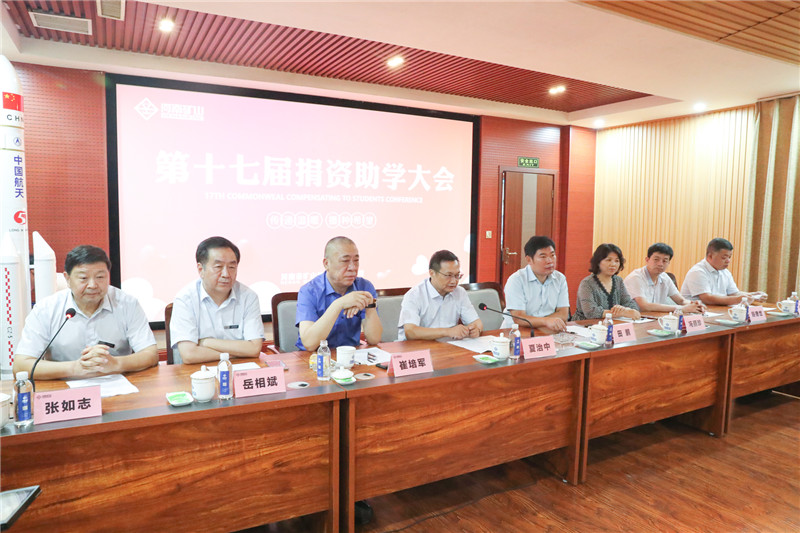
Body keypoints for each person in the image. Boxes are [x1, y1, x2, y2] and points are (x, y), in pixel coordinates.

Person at [13, 245, 158, 379]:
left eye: (100, 277)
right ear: (67, 279)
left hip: (117, 385)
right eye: (83, 278)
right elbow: (21, 365)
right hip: (64, 387)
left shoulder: (127, 304)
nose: (93, 285)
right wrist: (75, 368)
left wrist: (116, 364)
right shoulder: (46, 309)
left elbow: (150, 354)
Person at [170, 236, 264, 364]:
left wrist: (206, 342)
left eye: (232, 267)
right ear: (201, 270)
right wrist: (238, 353)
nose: (226, 274)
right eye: (218, 266)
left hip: (239, 370)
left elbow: (254, 349)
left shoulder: (248, 297)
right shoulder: (185, 299)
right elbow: (189, 355)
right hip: (198, 372)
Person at [296, 236, 382, 351]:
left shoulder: (364, 287)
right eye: (345, 261)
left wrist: (370, 305)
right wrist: (339, 304)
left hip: (350, 355)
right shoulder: (309, 291)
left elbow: (374, 339)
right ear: (326, 263)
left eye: (356, 261)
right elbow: (309, 343)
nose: (352, 267)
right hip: (315, 357)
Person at [398, 250, 483, 341]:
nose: (454, 281)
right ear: (432, 273)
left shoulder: (460, 292)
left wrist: (476, 329)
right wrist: (448, 331)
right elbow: (410, 332)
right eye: (448, 275)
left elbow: (476, 322)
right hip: (418, 347)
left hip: (448, 346)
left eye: (457, 275)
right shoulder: (414, 295)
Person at [501, 236, 569, 332]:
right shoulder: (516, 280)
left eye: (552, 255)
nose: (550, 261)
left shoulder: (560, 279)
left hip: (548, 330)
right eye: (543, 257)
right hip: (516, 332)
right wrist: (546, 321)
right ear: (529, 260)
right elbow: (519, 318)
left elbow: (563, 314)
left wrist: (544, 323)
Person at [624, 243, 706, 314]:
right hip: (634, 320)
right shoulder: (635, 277)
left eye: (664, 261)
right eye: (656, 259)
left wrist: (695, 305)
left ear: (669, 262)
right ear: (647, 260)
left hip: (655, 318)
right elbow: (644, 306)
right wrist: (681, 309)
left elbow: (681, 301)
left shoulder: (664, 277)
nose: (660, 264)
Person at [681, 238, 761, 306]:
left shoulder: (725, 272)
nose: (728, 261)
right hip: (697, 313)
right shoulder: (698, 272)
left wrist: (752, 295)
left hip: (718, 311)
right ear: (710, 256)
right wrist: (737, 299)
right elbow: (707, 298)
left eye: (729, 257)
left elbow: (733, 293)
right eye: (724, 257)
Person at [573, 243, 641, 321]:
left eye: (617, 261)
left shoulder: (618, 281)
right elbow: (590, 312)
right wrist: (621, 313)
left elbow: (630, 303)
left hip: (612, 323)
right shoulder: (587, 283)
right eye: (608, 260)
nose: (613, 264)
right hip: (585, 324)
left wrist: (628, 310)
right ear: (598, 262)